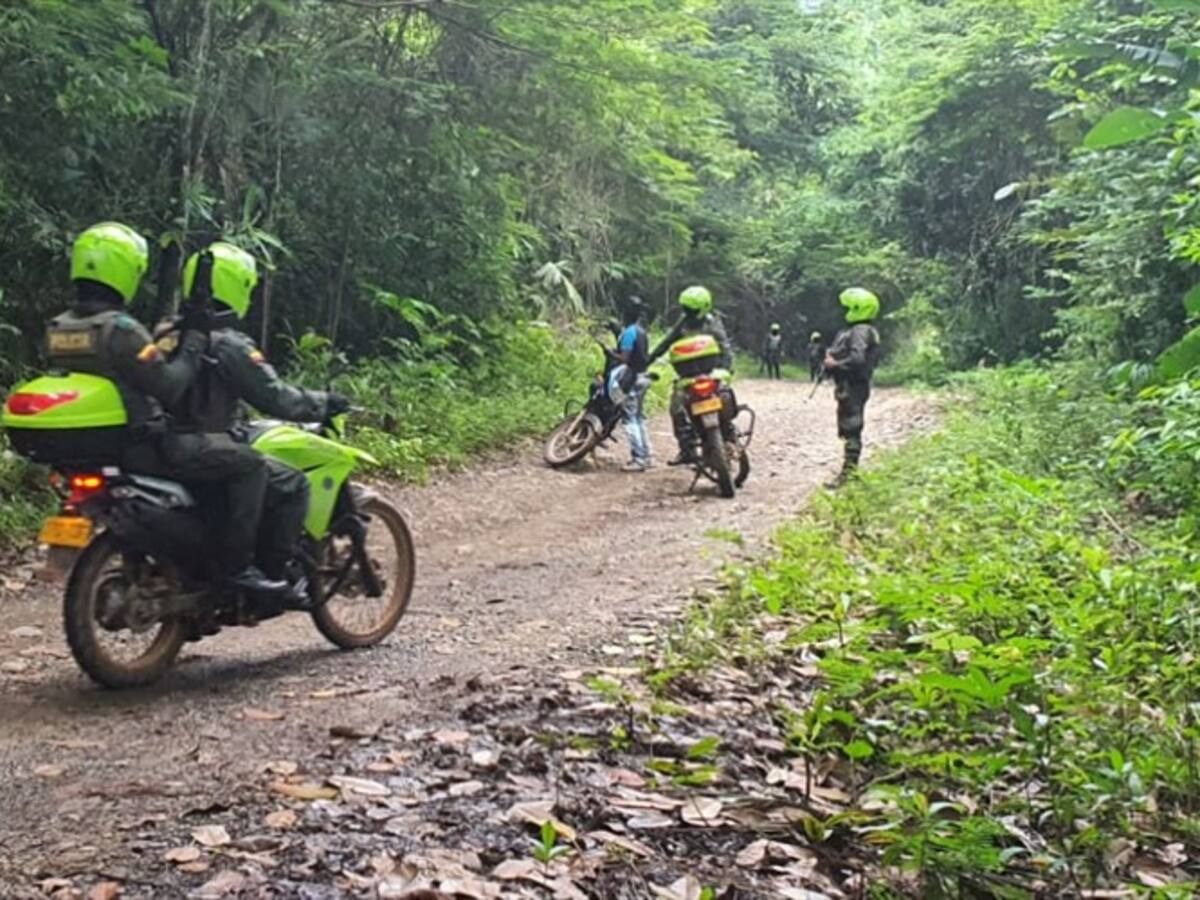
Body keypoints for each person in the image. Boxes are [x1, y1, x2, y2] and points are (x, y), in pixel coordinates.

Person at [47, 222, 285, 595]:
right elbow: (171, 387)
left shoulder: (59, 327)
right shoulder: (121, 329)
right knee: (250, 464)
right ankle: (237, 569)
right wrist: (193, 339)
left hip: (101, 448)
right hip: (147, 442)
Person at [171, 242, 349, 588]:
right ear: (236, 286)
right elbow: (276, 397)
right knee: (291, 483)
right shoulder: (229, 344)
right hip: (205, 442)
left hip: (167, 442)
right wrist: (324, 402)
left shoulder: (166, 332)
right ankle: (267, 574)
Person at [648, 285, 732, 466]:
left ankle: (730, 434)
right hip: (687, 375)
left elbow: (725, 346)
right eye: (685, 309)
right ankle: (687, 449)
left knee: (725, 396)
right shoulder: (683, 322)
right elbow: (667, 341)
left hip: (711, 372)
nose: (688, 313)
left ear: (704, 307)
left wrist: (726, 368)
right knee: (677, 409)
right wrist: (649, 359)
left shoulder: (713, 323)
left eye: (691, 310)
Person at [824, 288, 881, 486]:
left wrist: (835, 365)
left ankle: (849, 475)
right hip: (853, 385)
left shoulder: (860, 331)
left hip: (853, 386)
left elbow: (857, 359)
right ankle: (849, 473)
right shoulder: (864, 330)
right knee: (849, 428)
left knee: (851, 427)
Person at [614, 296, 652, 472]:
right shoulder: (641, 331)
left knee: (629, 418)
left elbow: (624, 358)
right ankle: (647, 455)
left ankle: (638, 458)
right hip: (644, 377)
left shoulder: (629, 332)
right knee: (638, 417)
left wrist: (610, 352)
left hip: (633, 378)